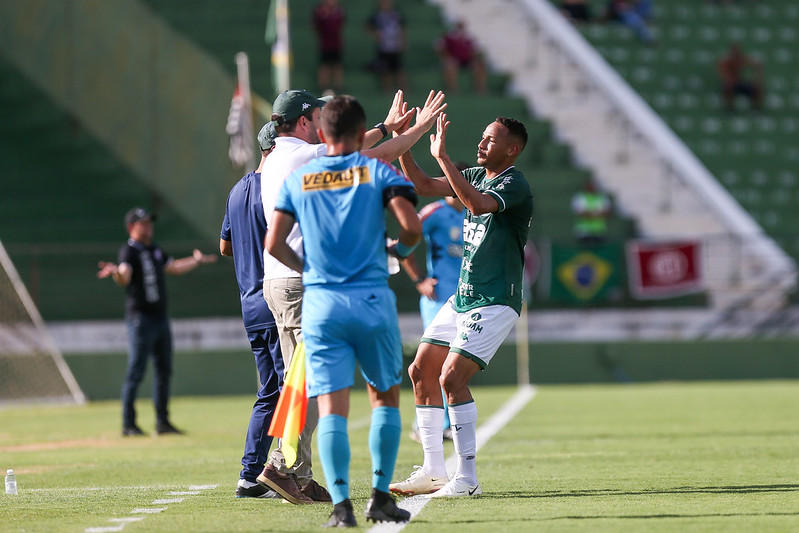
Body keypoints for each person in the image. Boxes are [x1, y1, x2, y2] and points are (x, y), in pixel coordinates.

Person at [257, 88, 446, 505]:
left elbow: (351, 151)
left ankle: (300, 474)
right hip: (312, 283)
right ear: (306, 122)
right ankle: (283, 466)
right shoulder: (302, 157)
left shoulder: (281, 158)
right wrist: (415, 130)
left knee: (302, 379)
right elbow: (364, 160)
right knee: (315, 385)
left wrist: (383, 128)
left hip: (283, 280)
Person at [389, 114, 533, 498]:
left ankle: (466, 479)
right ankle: (433, 470)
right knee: (420, 370)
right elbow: (420, 185)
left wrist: (443, 159)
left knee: (452, 378)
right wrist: (404, 144)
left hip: (496, 298)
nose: (482, 143)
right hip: (464, 296)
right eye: (483, 136)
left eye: (491, 139)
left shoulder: (514, 184)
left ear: (512, 149)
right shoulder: (475, 172)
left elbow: (476, 204)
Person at [221, 122, 326, 501]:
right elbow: (282, 237)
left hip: (250, 299)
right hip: (280, 291)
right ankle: (287, 471)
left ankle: (252, 473)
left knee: (271, 392)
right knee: (296, 388)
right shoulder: (275, 188)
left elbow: (224, 246)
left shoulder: (237, 190)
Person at [97, 208, 217, 437]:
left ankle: (163, 422)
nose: (149, 226)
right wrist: (115, 272)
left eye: (150, 222)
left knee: (164, 371)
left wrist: (196, 260)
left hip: (160, 318)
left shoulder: (154, 249)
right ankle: (128, 424)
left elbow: (174, 267)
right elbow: (124, 275)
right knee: (137, 370)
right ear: (132, 227)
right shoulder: (128, 251)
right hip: (140, 319)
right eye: (144, 223)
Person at [400, 163, 468, 443]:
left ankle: (449, 424)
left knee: (455, 363)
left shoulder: (473, 213)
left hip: (465, 299)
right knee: (433, 362)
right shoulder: (434, 213)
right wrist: (420, 280)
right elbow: (406, 240)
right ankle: (423, 424)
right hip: (438, 298)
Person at [366, 0, 407, 92]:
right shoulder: (377, 15)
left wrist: (402, 41)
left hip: (395, 46)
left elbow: (402, 28)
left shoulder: (396, 14)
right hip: (383, 47)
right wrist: (375, 34)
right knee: (385, 70)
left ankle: (404, 90)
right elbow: (368, 26)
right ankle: (388, 90)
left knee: (399, 69)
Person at [435, 20, 486, 94]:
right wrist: (447, 57)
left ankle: (480, 89)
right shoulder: (449, 36)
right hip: (454, 59)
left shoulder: (469, 36)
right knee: (450, 66)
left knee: (479, 66)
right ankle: (453, 89)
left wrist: (473, 58)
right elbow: (440, 47)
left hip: (467, 60)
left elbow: (476, 50)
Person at [717, 42, 764, 112]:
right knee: (728, 87)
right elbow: (722, 73)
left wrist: (757, 78)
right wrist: (728, 79)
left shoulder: (741, 58)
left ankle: (755, 108)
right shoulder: (727, 61)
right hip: (731, 83)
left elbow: (756, 65)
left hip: (739, 82)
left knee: (756, 88)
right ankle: (730, 108)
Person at [312, 0, 345, 94]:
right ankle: (323, 87)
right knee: (324, 66)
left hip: (336, 43)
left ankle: (338, 87)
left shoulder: (339, 11)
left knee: (337, 65)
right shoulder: (320, 12)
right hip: (325, 44)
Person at [571, 179, 611, 246]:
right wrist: (598, 214)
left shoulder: (602, 197)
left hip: (599, 230)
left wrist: (590, 214)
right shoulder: (580, 197)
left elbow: (608, 213)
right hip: (583, 231)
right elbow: (581, 213)